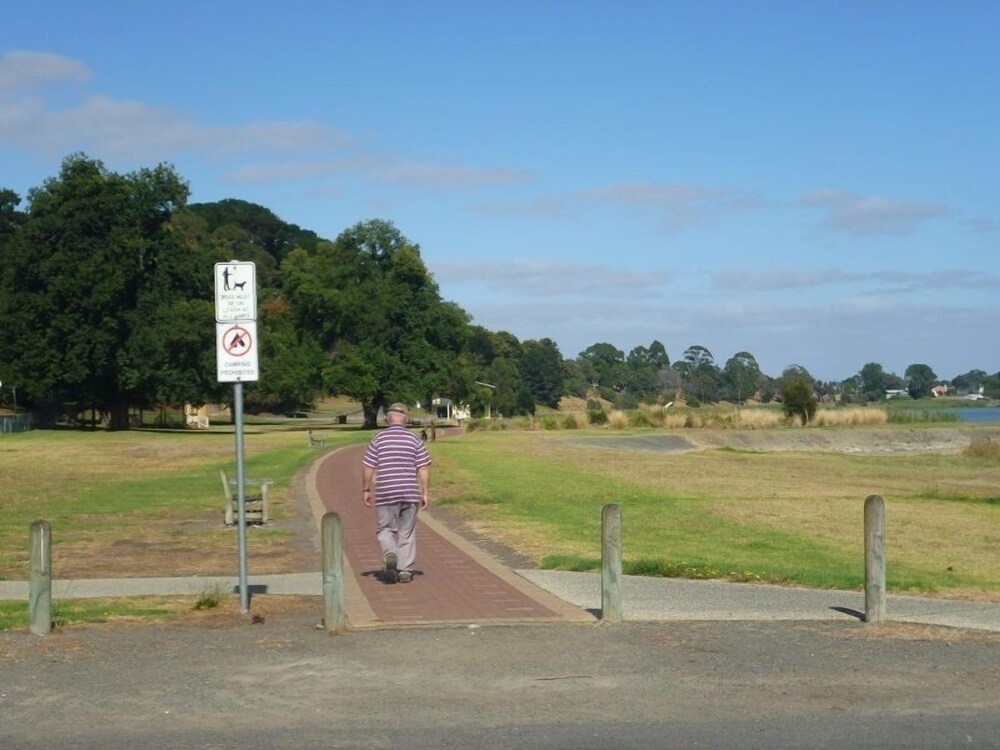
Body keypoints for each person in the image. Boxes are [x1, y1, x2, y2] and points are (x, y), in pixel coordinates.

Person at [362, 403, 431, 583]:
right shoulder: (414, 439)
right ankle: (405, 569)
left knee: (385, 529)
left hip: (386, 492)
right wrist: (424, 492)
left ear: (387, 419)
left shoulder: (379, 439)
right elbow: (423, 467)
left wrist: (366, 488)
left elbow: (368, 466)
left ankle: (391, 553)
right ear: (406, 419)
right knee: (406, 531)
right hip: (410, 492)